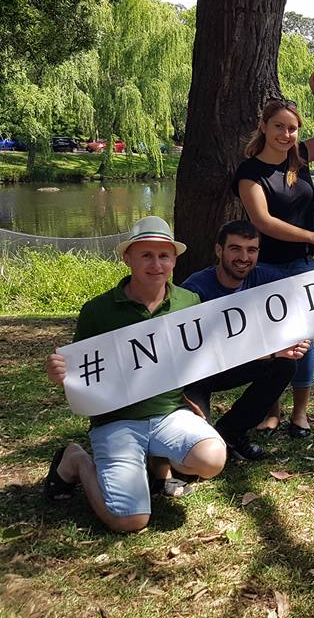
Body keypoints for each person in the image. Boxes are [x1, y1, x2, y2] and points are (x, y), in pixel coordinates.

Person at [43, 216, 226, 533]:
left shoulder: (189, 302)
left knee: (211, 458)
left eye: (164, 255)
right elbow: (80, 371)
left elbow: (219, 348)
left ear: (174, 259)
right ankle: (76, 461)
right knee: (130, 521)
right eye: (146, 255)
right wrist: (62, 372)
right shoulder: (97, 310)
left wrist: (275, 350)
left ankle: (158, 463)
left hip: (170, 413)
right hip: (117, 420)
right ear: (127, 258)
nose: (156, 264)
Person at [234, 99, 314, 438]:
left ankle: (300, 413)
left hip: (307, 262)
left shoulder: (299, 157)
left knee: (303, 336)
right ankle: (271, 412)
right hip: (268, 263)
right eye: (279, 126)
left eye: (292, 128)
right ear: (263, 126)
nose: (286, 134)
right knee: (271, 335)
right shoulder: (250, 172)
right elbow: (263, 221)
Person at [181, 220, 310, 461]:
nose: (244, 257)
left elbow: (305, 300)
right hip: (197, 374)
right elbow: (193, 352)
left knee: (285, 364)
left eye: (251, 250)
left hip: (235, 365)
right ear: (219, 251)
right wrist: (271, 352)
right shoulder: (195, 289)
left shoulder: (266, 278)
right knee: (198, 448)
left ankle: (232, 431)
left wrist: (298, 338)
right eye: (235, 249)